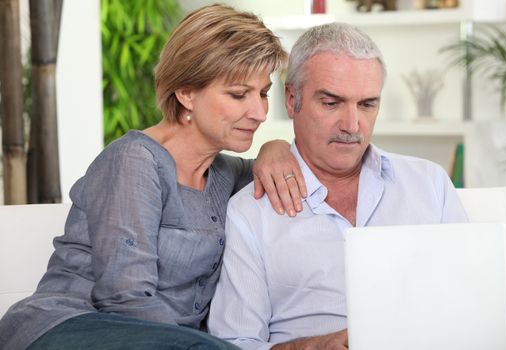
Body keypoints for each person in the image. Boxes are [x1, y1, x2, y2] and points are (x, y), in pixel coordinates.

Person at [0, 5, 306, 350]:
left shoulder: (225, 173)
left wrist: (276, 147)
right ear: (186, 93)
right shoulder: (134, 161)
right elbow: (125, 298)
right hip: (66, 327)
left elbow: (285, 170)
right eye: (238, 95)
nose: (260, 113)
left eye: (263, 93)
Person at [207, 23, 468, 350]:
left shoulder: (430, 184)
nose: (352, 125)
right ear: (292, 100)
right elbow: (235, 344)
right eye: (331, 103)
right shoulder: (251, 211)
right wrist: (312, 347)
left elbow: (485, 309)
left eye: (367, 104)